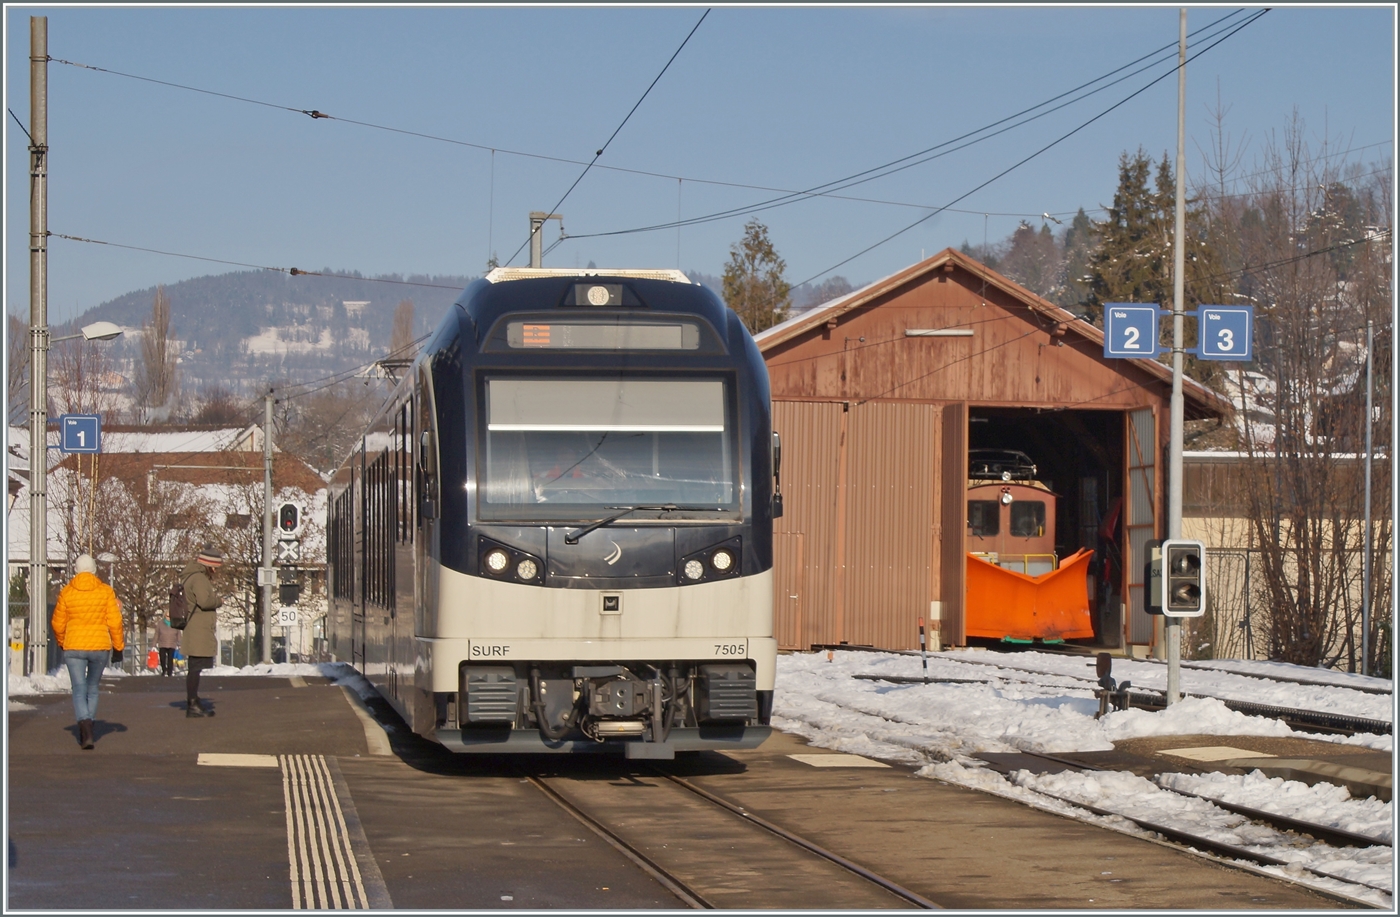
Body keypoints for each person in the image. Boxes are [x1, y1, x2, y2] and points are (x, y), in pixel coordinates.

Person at [50, 554, 124, 750]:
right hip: (99, 646)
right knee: (92, 687)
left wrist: (62, 642)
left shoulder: (66, 592)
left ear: (75, 570)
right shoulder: (106, 592)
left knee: (78, 688)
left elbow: (58, 623)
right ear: (93, 570)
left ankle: (85, 725)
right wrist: (118, 647)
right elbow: (115, 622)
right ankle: (89, 724)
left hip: (74, 646)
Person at [180, 544, 224, 718]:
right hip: (198, 628)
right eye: (215, 567)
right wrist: (218, 601)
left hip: (195, 627)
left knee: (195, 667)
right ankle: (192, 704)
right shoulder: (198, 579)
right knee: (195, 667)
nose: (215, 570)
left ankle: (194, 700)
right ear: (209, 565)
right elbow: (204, 601)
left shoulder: (192, 576)